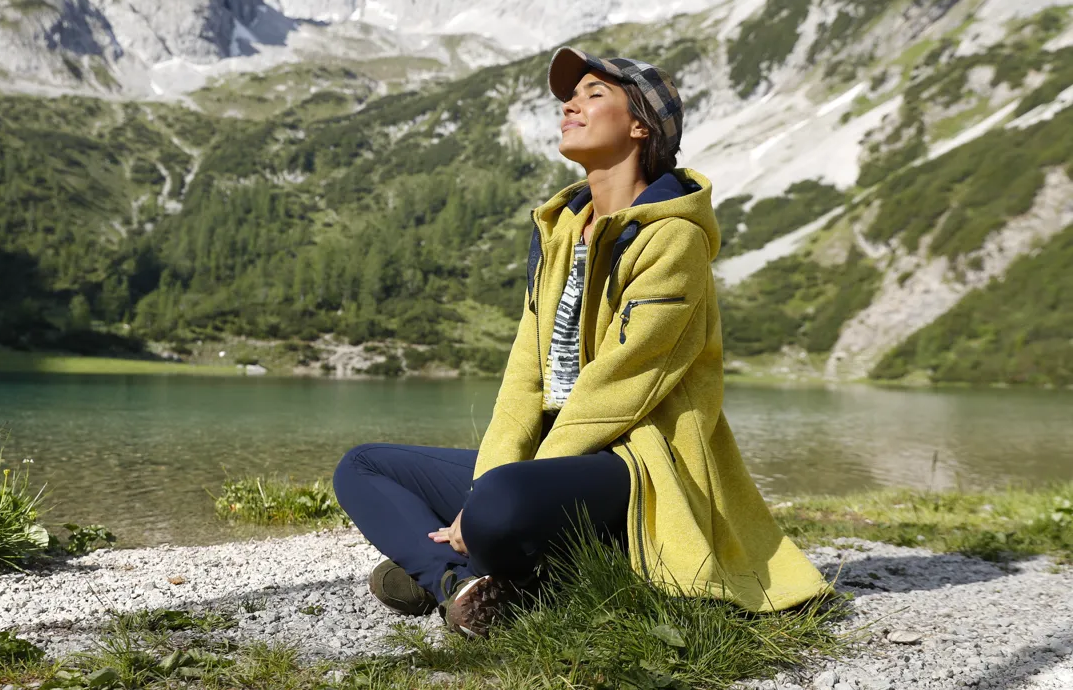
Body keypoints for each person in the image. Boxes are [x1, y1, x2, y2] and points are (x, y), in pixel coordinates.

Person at [333, 47, 831, 638]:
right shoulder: (560, 231)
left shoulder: (674, 239)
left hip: (634, 461)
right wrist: (488, 482)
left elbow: (620, 386)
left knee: (497, 506)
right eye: (570, 96)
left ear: (640, 124)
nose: (571, 104)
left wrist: (490, 497)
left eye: (596, 95)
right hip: (553, 462)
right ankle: (457, 587)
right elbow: (525, 376)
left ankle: (474, 563)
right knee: (361, 465)